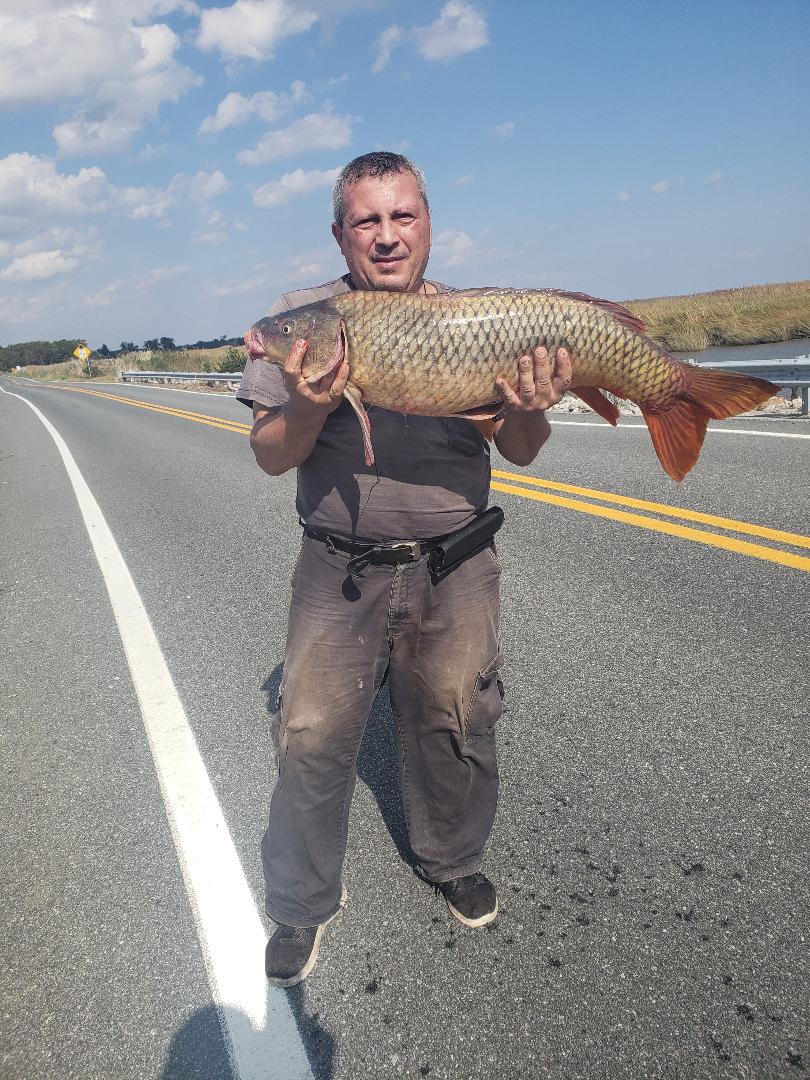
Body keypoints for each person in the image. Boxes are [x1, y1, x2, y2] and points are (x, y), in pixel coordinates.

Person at [236, 151, 572, 987]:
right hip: (338, 566)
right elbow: (271, 456)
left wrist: (531, 408)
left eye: (402, 216)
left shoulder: (476, 321)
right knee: (308, 733)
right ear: (340, 234)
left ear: (427, 223)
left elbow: (523, 450)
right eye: (367, 220)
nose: (386, 236)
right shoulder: (304, 321)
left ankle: (453, 858)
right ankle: (302, 899)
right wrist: (309, 404)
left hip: (456, 566)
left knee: (460, 718)